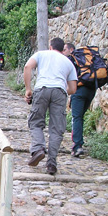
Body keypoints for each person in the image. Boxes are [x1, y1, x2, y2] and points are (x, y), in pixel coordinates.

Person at [23, 37, 78, 175]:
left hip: (42, 89)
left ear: (50, 46)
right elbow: (73, 89)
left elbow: (27, 67)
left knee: (35, 122)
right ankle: (51, 163)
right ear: (62, 49)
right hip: (60, 92)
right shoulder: (68, 62)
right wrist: (59, 87)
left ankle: (38, 149)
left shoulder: (41, 54)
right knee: (56, 129)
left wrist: (28, 89)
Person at [63, 42, 97, 158]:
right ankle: (79, 141)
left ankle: (77, 147)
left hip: (79, 90)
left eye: (65, 50)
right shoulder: (87, 60)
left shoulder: (72, 60)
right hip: (91, 90)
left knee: (76, 117)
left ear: (71, 49)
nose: (63, 52)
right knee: (80, 117)